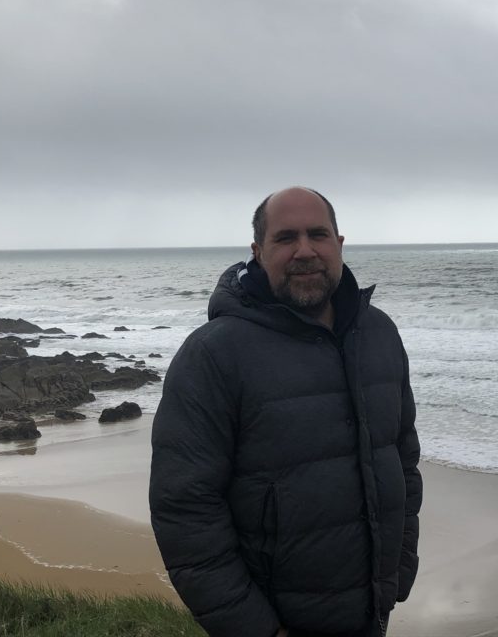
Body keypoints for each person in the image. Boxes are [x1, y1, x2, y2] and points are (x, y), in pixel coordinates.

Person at [150, 186, 422, 637]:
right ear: (258, 252)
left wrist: (399, 566)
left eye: (318, 234)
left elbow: (403, 457)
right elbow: (185, 509)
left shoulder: (379, 333)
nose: (305, 250)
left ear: (339, 244)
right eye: (285, 238)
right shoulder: (213, 355)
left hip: (372, 612)